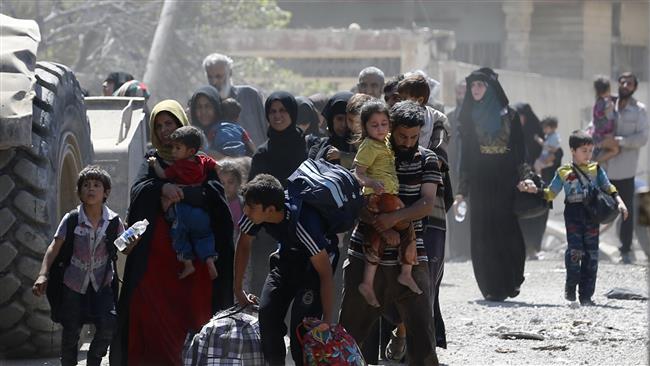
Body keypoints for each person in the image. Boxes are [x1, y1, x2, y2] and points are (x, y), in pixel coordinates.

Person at [111, 100, 234, 366]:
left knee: (193, 322)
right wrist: (160, 189)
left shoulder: (202, 163)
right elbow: (139, 192)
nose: (165, 130)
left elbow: (215, 200)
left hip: (195, 263)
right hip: (157, 263)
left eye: (170, 123)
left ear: (181, 125)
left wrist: (184, 193)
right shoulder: (152, 161)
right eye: (160, 125)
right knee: (154, 323)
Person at [339, 100, 441, 365]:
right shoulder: (374, 153)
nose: (408, 142)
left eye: (414, 137)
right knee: (351, 336)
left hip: (410, 256)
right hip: (366, 255)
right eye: (402, 136)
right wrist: (381, 228)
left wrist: (394, 218)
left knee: (422, 338)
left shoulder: (428, 159)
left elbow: (426, 204)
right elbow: (357, 200)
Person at [234, 174, 339, 365]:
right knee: (267, 316)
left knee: (302, 330)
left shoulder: (304, 225)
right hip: (286, 260)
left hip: (313, 269)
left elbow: (325, 274)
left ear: (271, 210)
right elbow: (243, 245)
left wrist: (327, 321)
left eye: (250, 206)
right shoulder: (257, 213)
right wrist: (238, 289)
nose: (245, 210)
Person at [518, 130, 628, 305]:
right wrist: (535, 191)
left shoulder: (596, 169)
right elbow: (551, 193)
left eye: (590, 150)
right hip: (573, 215)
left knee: (591, 256)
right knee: (575, 252)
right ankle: (571, 285)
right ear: (573, 150)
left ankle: (586, 296)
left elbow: (609, 188)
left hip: (591, 215)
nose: (588, 154)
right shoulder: (563, 172)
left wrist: (620, 202)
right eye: (584, 150)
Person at [32, 166, 124, 366]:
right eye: (86, 185)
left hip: (102, 283)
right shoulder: (72, 219)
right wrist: (43, 274)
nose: (90, 189)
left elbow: (123, 248)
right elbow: (54, 248)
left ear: (106, 192)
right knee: (71, 331)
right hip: (73, 283)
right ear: (80, 191)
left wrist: (132, 240)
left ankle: (94, 361)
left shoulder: (114, 221)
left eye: (96, 185)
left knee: (108, 325)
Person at [454, 67, 527, 301]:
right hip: (480, 180)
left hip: (506, 180)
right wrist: (462, 191)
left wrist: (525, 177)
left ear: (490, 88)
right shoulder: (467, 116)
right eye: (472, 85)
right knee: (483, 234)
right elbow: (465, 156)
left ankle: (511, 279)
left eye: (480, 85)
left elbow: (519, 151)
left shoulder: (511, 116)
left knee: (508, 232)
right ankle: (491, 286)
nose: (474, 90)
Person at [353, 100, 420, 307]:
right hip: (378, 197)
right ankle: (401, 274)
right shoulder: (368, 146)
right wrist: (371, 182)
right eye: (374, 125)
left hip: (388, 197)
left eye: (384, 123)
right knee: (398, 228)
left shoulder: (387, 142)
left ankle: (374, 280)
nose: (380, 128)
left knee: (387, 235)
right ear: (365, 127)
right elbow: (357, 173)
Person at [147, 126, 219, 279]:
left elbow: (162, 175)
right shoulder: (203, 160)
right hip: (201, 211)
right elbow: (217, 166)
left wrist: (154, 164)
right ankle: (209, 259)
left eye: (177, 148)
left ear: (191, 151)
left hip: (182, 211)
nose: (173, 151)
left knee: (179, 236)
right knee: (204, 235)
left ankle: (188, 264)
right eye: (172, 147)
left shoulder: (178, 166)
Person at [599, 72, 649, 264]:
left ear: (635, 87)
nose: (625, 85)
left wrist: (619, 141)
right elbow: (594, 127)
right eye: (622, 82)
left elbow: (643, 138)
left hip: (626, 171)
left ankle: (626, 251)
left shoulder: (639, 111)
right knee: (597, 208)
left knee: (627, 213)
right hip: (604, 168)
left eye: (630, 83)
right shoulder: (607, 105)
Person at [202, 53, 267, 146]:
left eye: (218, 76)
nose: (214, 82)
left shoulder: (250, 95)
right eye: (210, 77)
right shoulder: (204, 105)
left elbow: (265, 126)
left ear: (230, 73)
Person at [248, 91, 307, 186]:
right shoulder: (262, 154)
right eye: (273, 111)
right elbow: (254, 191)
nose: (277, 116)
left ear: (292, 112)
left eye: (282, 110)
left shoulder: (308, 145)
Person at [397, 73, 449, 150]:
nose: (401, 102)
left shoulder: (431, 115)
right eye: (400, 99)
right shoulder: (398, 113)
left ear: (420, 100)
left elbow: (445, 123)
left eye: (405, 99)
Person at [308, 91, 355, 168]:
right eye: (339, 119)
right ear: (331, 120)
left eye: (349, 120)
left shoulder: (363, 147)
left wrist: (343, 156)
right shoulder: (319, 147)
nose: (344, 124)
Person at [591, 76, 619, 163]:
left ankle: (594, 163)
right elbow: (599, 117)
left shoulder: (606, 99)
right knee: (615, 149)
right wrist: (607, 111)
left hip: (603, 134)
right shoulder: (601, 102)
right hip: (601, 136)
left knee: (615, 150)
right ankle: (595, 163)